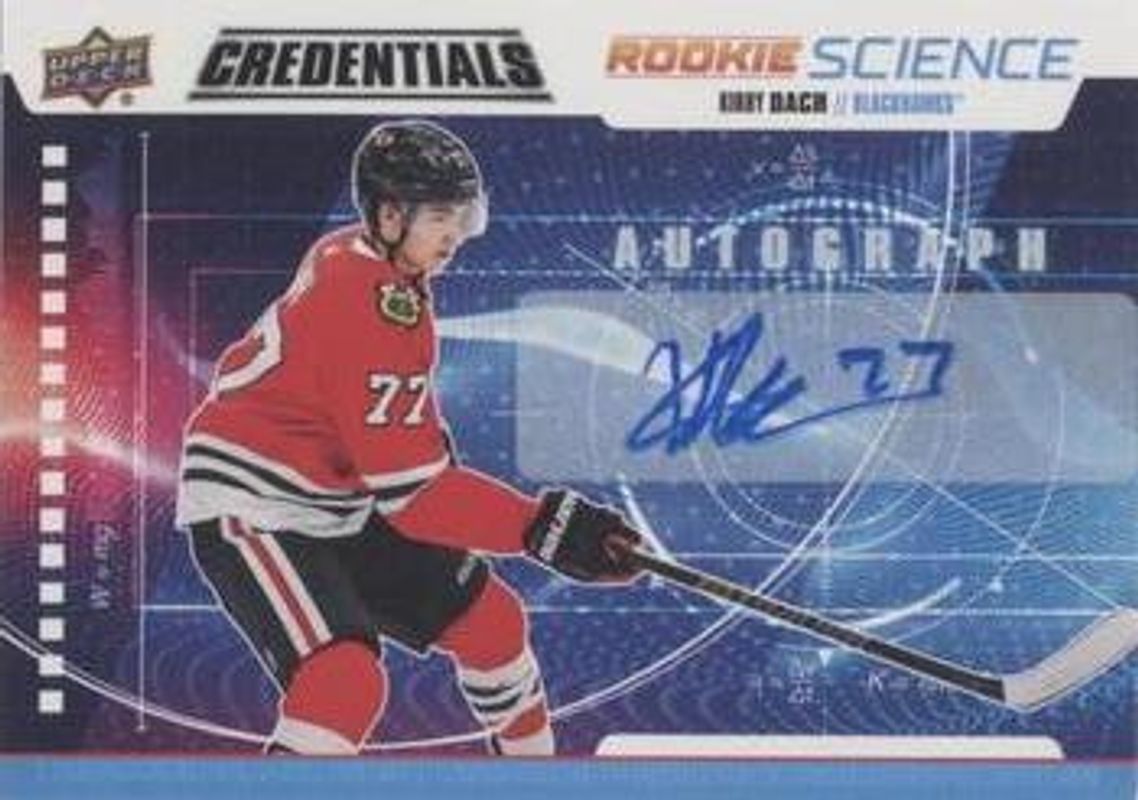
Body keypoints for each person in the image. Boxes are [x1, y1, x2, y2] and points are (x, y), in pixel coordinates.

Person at [174, 120, 643, 756]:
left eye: (462, 215)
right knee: (343, 683)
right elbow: (417, 500)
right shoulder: (364, 305)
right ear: (391, 215)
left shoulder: (368, 258)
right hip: (254, 504)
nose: (455, 234)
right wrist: (542, 527)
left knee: (493, 625)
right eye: (440, 216)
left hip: (340, 498)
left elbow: (398, 442)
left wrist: (534, 525)